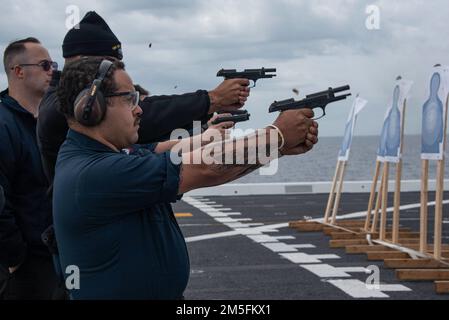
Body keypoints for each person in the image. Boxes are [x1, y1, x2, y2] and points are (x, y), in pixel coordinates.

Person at [53, 57, 318, 299]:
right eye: (129, 99)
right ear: (92, 106)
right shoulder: (95, 173)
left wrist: (277, 147)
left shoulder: (106, 155)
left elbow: (180, 151)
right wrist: (276, 136)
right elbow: (206, 168)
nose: (139, 110)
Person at [37, 11, 251, 184]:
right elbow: (150, 117)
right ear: (81, 60)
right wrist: (212, 99)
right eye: (106, 65)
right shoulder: (58, 110)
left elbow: (149, 142)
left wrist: (205, 126)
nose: (136, 110)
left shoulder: (73, 107)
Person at [0, 37, 60, 299]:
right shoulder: (4, 125)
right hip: (24, 266)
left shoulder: (47, 122)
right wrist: (15, 257)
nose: (52, 72)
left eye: (53, 65)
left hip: (53, 257)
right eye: (45, 65)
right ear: (18, 71)